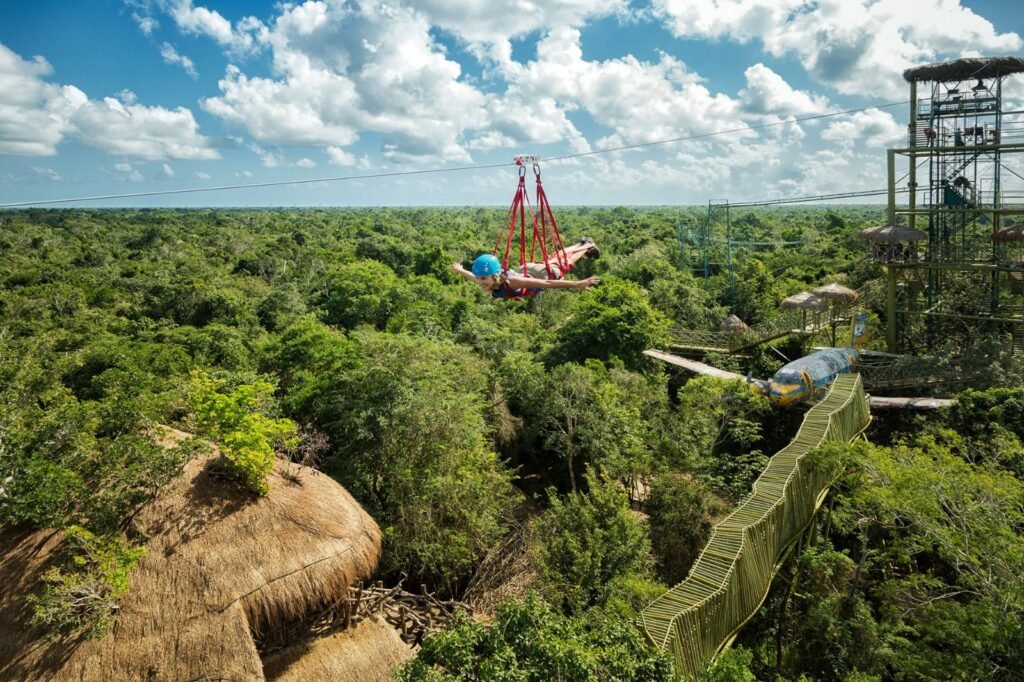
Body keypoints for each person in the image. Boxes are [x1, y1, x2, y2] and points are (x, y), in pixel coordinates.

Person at [452, 238, 600, 298]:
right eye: (479, 278)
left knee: (563, 264)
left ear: (494, 276)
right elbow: (471, 276)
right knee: (555, 259)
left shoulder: (512, 282)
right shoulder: (491, 280)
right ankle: (582, 244)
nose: (480, 282)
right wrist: (460, 270)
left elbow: (547, 284)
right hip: (526, 269)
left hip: (540, 275)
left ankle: (586, 247)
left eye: (483, 278)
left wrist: (577, 284)